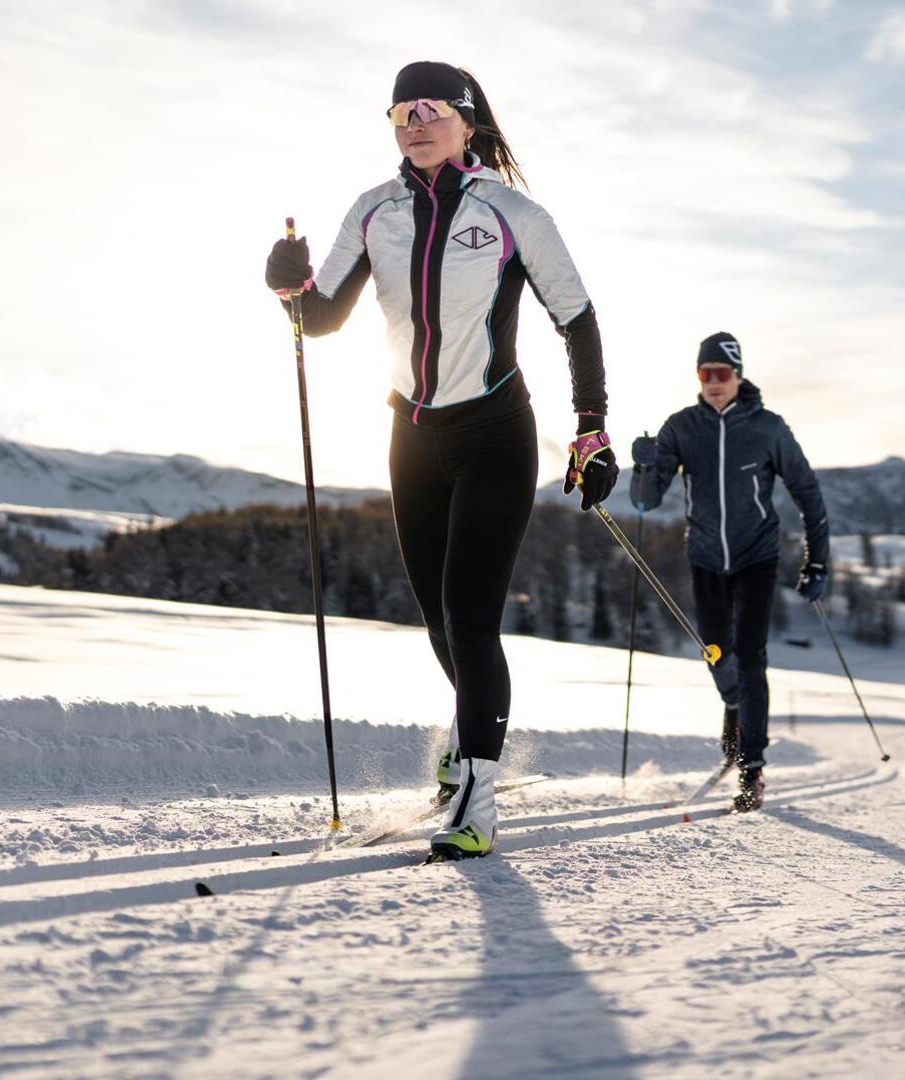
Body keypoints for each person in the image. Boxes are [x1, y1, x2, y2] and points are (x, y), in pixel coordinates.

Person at [263, 61, 617, 860]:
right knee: (436, 619)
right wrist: (286, 288)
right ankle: (469, 740)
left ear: (466, 121)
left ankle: (476, 800)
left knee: (469, 614)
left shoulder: (513, 211)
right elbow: (320, 319)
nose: (413, 124)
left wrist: (591, 429)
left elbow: (579, 319)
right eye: (399, 112)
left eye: (430, 110)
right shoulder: (373, 209)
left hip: (495, 434)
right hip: (411, 435)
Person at [629, 332, 829, 812]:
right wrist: (643, 466)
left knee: (751, 655)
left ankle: (752, 766)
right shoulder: (681, 427)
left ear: (738, 375)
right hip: (704, 558)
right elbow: (645, 500)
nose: (714, 381)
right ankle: (735, 706)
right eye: (705, 373)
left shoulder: (768, 428)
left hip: (756, 557)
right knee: (717, 652)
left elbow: (808, 493)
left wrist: (818, 558)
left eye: (722, 372)